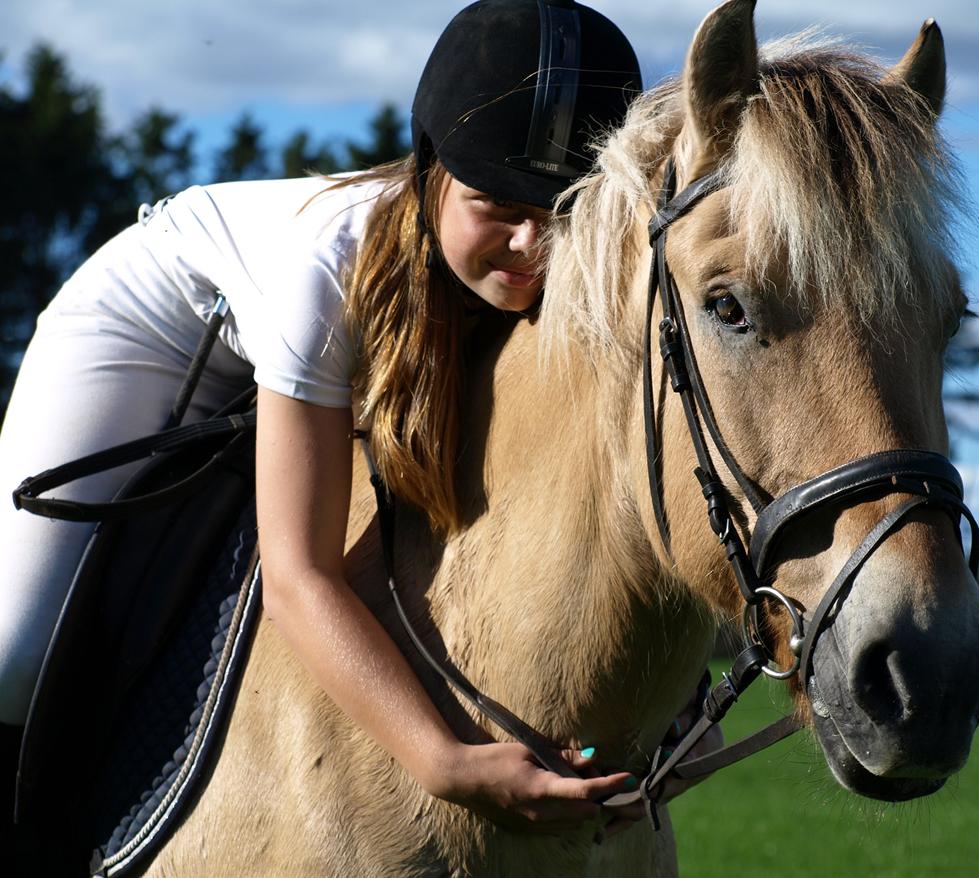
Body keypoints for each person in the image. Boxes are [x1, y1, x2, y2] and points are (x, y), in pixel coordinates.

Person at [0, 0, 681, 838]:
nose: (530, 247)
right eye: (496, 205)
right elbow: (297, 577)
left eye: (563, 211)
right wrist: (447, 763)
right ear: (431, 168)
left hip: (301, 350)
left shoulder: (570, 272)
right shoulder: (328, 274)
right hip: (154, 332)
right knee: (12, 656)